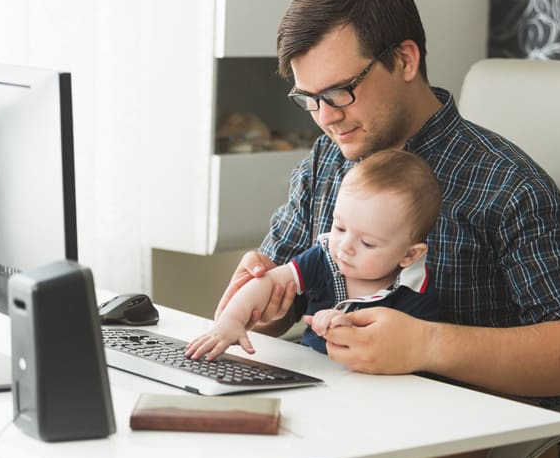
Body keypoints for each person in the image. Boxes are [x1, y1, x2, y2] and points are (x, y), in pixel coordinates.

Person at [214, 0, 560, 458]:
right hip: (326, 416)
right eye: (308, 99)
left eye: (339, 91)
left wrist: (425, 344)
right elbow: (278, 309)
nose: (326, 116)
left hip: (441, 442)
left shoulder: (507, 185)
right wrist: (263, 307)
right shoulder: (326, 161)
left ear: (405, 59)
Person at [186, 149, 442, 361]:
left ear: (409, 255)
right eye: (340, 227)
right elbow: (269, 282)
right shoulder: (324, 258)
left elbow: (402, 350)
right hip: (313, 372)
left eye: (367, 243)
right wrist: (232, 320)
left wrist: (347, 326)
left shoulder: (416, 292)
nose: (345, 246)